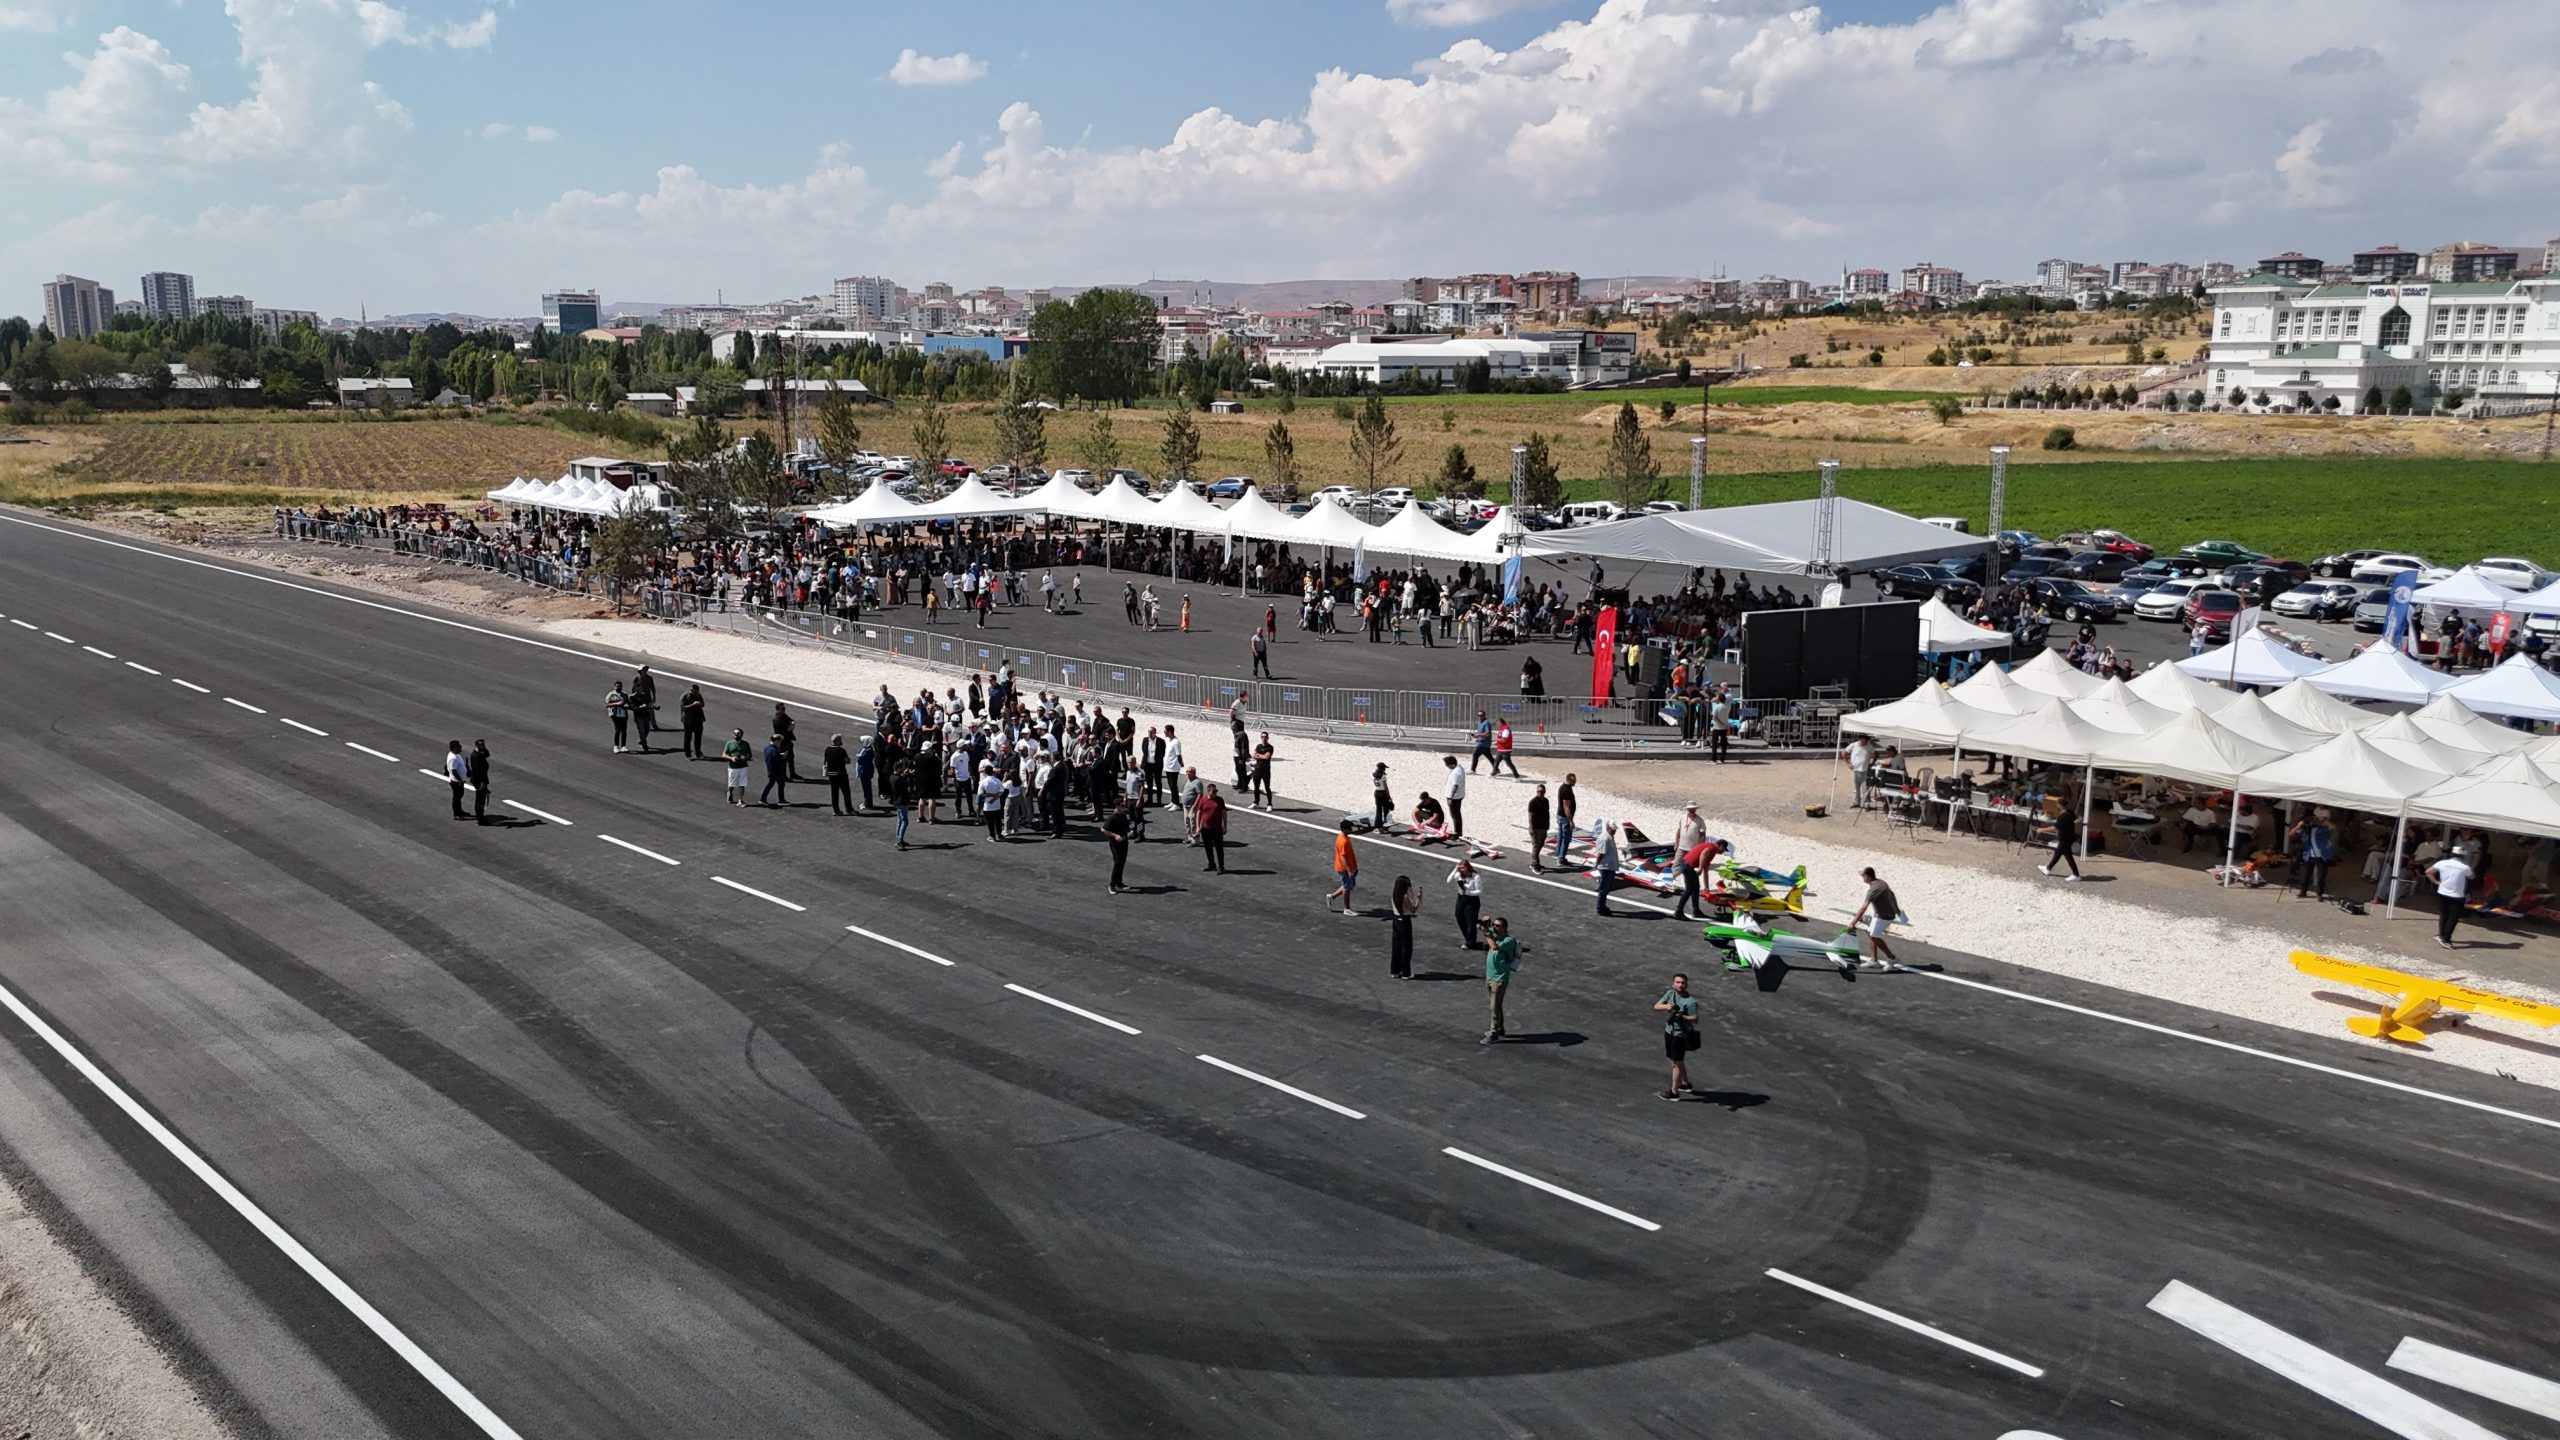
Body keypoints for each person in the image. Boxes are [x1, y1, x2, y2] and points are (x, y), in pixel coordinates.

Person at [1654, 974, 1701, 1100]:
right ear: (1673, 983)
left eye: (1683, 983)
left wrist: (1682, 1016)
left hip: (1680, 1036)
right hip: (1669, 1032)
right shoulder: (1670, 994)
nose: (1680, 985)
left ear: (1686, 985)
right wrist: (1666, 1006)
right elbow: (1656, 1006)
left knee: (1675, 1063)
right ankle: (1686, 1084)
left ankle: (1674, 1092)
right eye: (1678, 982)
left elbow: (1695, 1019)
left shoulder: (1690, 1002)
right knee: (1678, 1061)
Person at [1846, 866, 1900, 970]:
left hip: (1885, 916)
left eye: (1863, 876)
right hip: (1879, 914)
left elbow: (1863, 908)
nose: (1862, 878)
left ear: (1867, 876)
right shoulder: (1882, 883)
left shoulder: (1873, 890)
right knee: (1870, 933)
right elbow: (1892, 894)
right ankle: (1874, 960)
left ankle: (1892, 958)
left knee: (1874, 936)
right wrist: (1896, 909)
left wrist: (1852, 923)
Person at [1480, 917, 1519, 1045]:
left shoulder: (1508, 941)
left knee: (1494, 1006)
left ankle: (1493, 1033)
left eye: (1498, 926)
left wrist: (1487, 933)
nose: (1495, 927)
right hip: (1490, 976)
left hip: (1500, 978)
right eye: (1494, 925)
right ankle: (1500, 1028)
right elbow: (1480, 927)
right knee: (1496, 1005)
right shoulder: (1495, 933)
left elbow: (1494, 946)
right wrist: (1483, 925)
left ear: (1504, 928)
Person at [2427, 849, 2473, 948]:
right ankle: (2446, 939)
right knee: (2453, 917)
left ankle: (2441, 934)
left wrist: (2436, 882)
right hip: (2457, 895)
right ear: (2462, 857)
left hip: (2442, 892)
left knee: (2444, 914)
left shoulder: (2442, 863)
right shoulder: (2465, 867)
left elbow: (2428, 871)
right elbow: (2472, 876)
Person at [2039, 790, 2084, 880]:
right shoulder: (2070, 812)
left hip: (2065, 838)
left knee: (2067, 856)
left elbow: (2055, 827)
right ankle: (2048, 868)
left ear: (2060, 805)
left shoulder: (2062, 816)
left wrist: (2041, 829)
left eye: (2057, 804)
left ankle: (2076, 875)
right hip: (2069, 837)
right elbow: (2078, 818)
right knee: (2059, 853)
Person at [2295, 809, 2336, 900]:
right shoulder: (2306, 830)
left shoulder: (2323, 829)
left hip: (2321, 855)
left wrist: (2323, 820)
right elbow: (2293, 833)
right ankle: (2303, 891)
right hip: (2309, 855)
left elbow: (2333, 827)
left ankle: (2319, 893)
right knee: (2305, 874)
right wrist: (2301, 824)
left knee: (2321, 876)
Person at [1448, 858, 1485, 951]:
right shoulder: (1459, 874)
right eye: (1460, 868)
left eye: (1463, 868)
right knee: (1459, 917)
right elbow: (1448, 880)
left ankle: (1470, 942)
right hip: (1461, 899)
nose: (1461, 870)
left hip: (1471, 901)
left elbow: (1479, 891)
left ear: (1468, 867)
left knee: (1470, 922)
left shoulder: (1475, 877)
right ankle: (1468, 939)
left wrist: (1467, 891)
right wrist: (1455, 869)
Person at [1326, 819, 1360, 915]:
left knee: (1348, 885)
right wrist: (1349, 870)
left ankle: (1332, 896)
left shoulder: (1342, 837)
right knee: (1347, 887)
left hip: (1348, 867)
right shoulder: (1343, 841)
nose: (1351, 829)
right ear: (1344, 829)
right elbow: (1343, 856)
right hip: (1344, 868)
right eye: (1349, 828)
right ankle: (1347, 909)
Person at [1195, 781, 1230, 873]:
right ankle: (1211, 864)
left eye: (1216, 791)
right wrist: (1198, 827)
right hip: (1206, 828)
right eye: (1213, 791)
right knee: (1208, 847)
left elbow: (1223, 813)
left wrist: (1224, 826)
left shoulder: (1220, 800)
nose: (1215, 793)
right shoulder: (1203, 800)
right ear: (1208, 791)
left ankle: (1221, 866)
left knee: (1219, 848)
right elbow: (1199, 813)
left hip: (1217, 828)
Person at [1102, 799, 1135, 892]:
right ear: (1117, 806)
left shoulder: (1123, 816)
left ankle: (1119, 882)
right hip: (1115, 844)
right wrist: (1115, 835)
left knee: (1122, 862)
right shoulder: (1112, 818)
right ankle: (1112, 884)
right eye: (1122, 806)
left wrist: (1129, 832)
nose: (1124, 808)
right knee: (1117, 863)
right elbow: (1103, 829)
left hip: (1124, 842)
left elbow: (1126, 826)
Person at [1388, 876, 1418, 978]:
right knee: (1406, 946)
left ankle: (1395, 970)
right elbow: (1413, 909)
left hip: (1396, 920)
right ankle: (1406, 972)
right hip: (1404, 921)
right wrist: (1419, 899)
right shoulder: (1404, 896)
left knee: (1396, 946)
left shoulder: (1394, 895)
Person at [1594, 823, 1623, 915]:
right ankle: (1600, 908)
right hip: (1606, 867)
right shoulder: (1605, 838)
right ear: (1608, 827)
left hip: (1609, 866)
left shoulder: (1608, 837)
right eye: (1613, 829)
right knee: (1604, 888)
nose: (1615, 831)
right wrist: (1597, 864)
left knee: (1606, 888)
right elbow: (1601, 853)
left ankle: (1602, 906)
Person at [823, 735, 854, 816]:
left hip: (831, 775)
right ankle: (849, 809)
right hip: (841, 774)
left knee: (834, 793)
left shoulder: (827, 749)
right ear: (837, 741)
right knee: (846, 792)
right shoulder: (841, 751)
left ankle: (836, 810)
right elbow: (847, 761)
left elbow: (826, 761)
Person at [1841, 734, 1874, 809]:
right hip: (1855, 769)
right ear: (1860, 740)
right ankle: (1856, 802)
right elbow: (1844, 753)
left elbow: (1876, 753)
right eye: (1865, 741)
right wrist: (1848, 763)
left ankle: (1866, 804)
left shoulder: (1869, 746)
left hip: (1865, 770)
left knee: (1865, 787)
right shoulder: (1853, 745)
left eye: (1866, 741)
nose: (1866, 742)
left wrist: (1872, 762)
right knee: (1855, 787)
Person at [1553, 773, 1578, 868]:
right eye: (1573, 781)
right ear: (1569, 780)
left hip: (1560, 816)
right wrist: (1571, 821)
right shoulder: (1567, 790)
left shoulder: (1562, 787)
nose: (1575, 782)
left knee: (1560, 837)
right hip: (1564, 818)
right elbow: (1566, 807)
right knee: (1566, 838)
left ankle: (1559, 855)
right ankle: (1561, 858)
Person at [630, 666, 657, 752]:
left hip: (647, 700)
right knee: (642, 730)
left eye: (646, 670)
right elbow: (633, 690)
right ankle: (644, 745)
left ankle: (653, 723)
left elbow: (653, 688)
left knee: (647, 729)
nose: (645, 671)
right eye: (643, 670)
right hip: (638, 713)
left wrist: (653, 698)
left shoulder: (649, 678)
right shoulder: (636, 679)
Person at [722, 728, 752, 807]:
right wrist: (731, 758)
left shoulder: (745, 744)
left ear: (741, 735)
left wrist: (745, 757)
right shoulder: (729, 744)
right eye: (734, 733)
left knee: (742, 784)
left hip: (743, 766)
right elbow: (724, 755)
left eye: (738, 733)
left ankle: (740, 799)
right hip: (733, 767)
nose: (736, 734)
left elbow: (749, 754)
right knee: (732, 784)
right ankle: (730, 792)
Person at [759, 734, 790, 808]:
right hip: (777, 771)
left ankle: (763, 799)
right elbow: (778, 761)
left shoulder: (767, 748)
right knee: (780, 785)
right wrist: (784, 757)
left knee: (771, 784)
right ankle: (781, 800)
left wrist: (779, 755)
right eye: (779, 741)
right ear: (776, 741)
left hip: (771, 770)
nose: (780, 743)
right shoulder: (774, 750)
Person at [1526, 782, 1551, 873]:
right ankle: (1534, 864)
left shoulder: (1546, 801)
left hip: (1543, 827)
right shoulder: (1533, 802)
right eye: (1538, 791)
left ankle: (1535, 862)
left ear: (1544, 791)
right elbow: (1530, 816)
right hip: (1536, 828)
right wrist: (1531, 828)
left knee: (1540, 845)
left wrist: (1547, 825)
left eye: (1541, 791)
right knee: (1536, 846)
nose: (1540, 793)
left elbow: (1546, 813)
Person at [1442, 755, 1468, 837]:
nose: (1446, 766)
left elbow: (1455, 786)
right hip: (1459, 795)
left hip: (1455, 797)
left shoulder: (1456, 773)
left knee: (1455, 815)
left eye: (1446, 764)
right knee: (1456, 814)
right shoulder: (1459, 768)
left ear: (1451, 764)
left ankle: (1457, 833)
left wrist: (1450, 798)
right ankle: (1458, 832)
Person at [466, 739, 492, 822]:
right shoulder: (476, 756)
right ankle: (479, 818)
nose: (483, 746)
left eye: (483, 744)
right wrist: (482, 783)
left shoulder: (481, 753)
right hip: (479, 780)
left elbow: (488, 754)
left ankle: (480, 816)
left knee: (482, 798)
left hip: (482, 778)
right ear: (477, 745)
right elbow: (478, 771)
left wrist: (483, 749)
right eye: (481, 745)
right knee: (480, 799)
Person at [679, 684, 707, 759]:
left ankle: (698, 752)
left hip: (698, 718)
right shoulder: (685, 696)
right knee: (688, 737)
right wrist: (693, 704)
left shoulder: (698, 696)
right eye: (693, 691)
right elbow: (683, 707)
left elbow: (703, 704)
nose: (694, 693)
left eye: (696, 692)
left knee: (698, 737)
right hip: (688, 719)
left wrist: (700, 704)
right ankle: (687, 753)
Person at [444, 739, 470, 819]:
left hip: (459, 781)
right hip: (456, 782)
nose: (460, 747)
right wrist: (460, 780)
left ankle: (460, 811)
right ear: (455, 748)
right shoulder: (453, 758)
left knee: (459, 796)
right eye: (459, 746)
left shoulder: (456, 755)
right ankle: (457, 814)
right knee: (457, 798)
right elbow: (453, 770)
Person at [606, 681, 630, 753]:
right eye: (617, 686)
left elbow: (628, 703)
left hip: (623, 715)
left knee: (624, 730)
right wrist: (617, 704)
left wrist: (626, 706)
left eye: (620, 686)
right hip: (615, 715)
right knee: (617, 730)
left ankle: (623, 746)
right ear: (614, 687)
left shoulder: (625, 695)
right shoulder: (611, 695)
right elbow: (607, 704)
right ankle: (616, 746)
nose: (618, 687)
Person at [1371, 763, 1394, 831]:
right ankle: (1385, 826)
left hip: (1376, 792)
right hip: (1383, 793)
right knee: (1386, 810)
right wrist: (1389, 796)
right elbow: (1385, 787)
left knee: (1378, 810)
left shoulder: (1374, 774)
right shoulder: (1383, 776)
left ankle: (1378, 825)